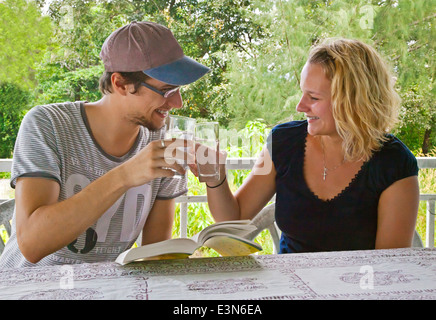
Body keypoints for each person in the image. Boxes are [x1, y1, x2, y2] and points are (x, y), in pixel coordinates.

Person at [0, 21, 209, 268]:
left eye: (179, 90)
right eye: (166, 90)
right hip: (25, 288)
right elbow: (32, 245)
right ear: (120, 83)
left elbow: (154, 256)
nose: (178, 103)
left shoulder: (162, 140)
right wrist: (126, 175)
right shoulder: (48, 124)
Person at [191, 38, 420, 254]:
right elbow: (234, 219)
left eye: (314, 98)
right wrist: (216, 178)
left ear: (352, 102)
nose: (301, 106)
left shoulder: (394, 162)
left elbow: (389, 265)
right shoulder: (284, 142)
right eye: (303, 93)